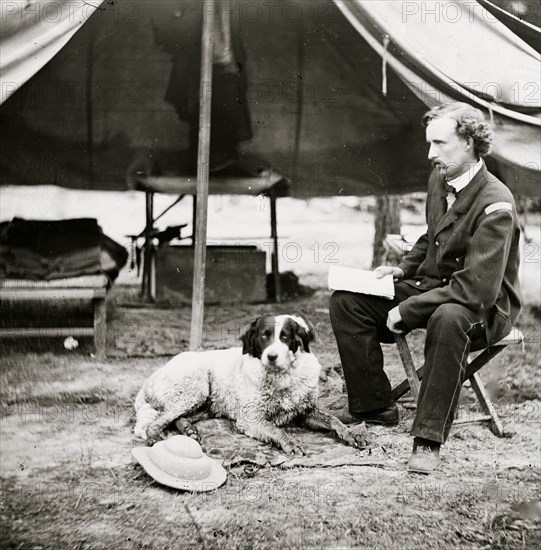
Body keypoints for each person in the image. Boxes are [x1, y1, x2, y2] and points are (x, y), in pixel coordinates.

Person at [329, 102, 522, 474]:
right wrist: (402, 271)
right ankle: (374, 406)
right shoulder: (441, 179)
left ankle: (428, 440)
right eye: (429, 144)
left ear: (468, 142)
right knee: (348, 301)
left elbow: (475, 292)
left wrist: (408, 309)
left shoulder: (496, 204)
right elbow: (431, 236)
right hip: (436, 288)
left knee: (449, 318)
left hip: (484, 309)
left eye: (440, 143)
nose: (431, 154)